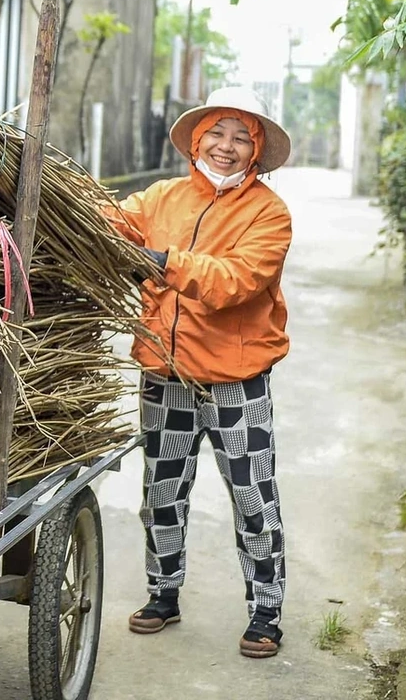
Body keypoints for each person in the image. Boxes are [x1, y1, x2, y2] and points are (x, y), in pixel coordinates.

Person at [106, 86, 294, 659]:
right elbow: (114, 224)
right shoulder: (160, 198)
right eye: (217, 133)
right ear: (197, 139)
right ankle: (163, 594)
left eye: (242, 137)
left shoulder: (269, 213)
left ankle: (266, 611)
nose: (227, 147)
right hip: (166, 374)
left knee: (252, 495)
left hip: (237, 380)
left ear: (256, 150)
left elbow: (234, 281)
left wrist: (165, 262)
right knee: (161, 493)